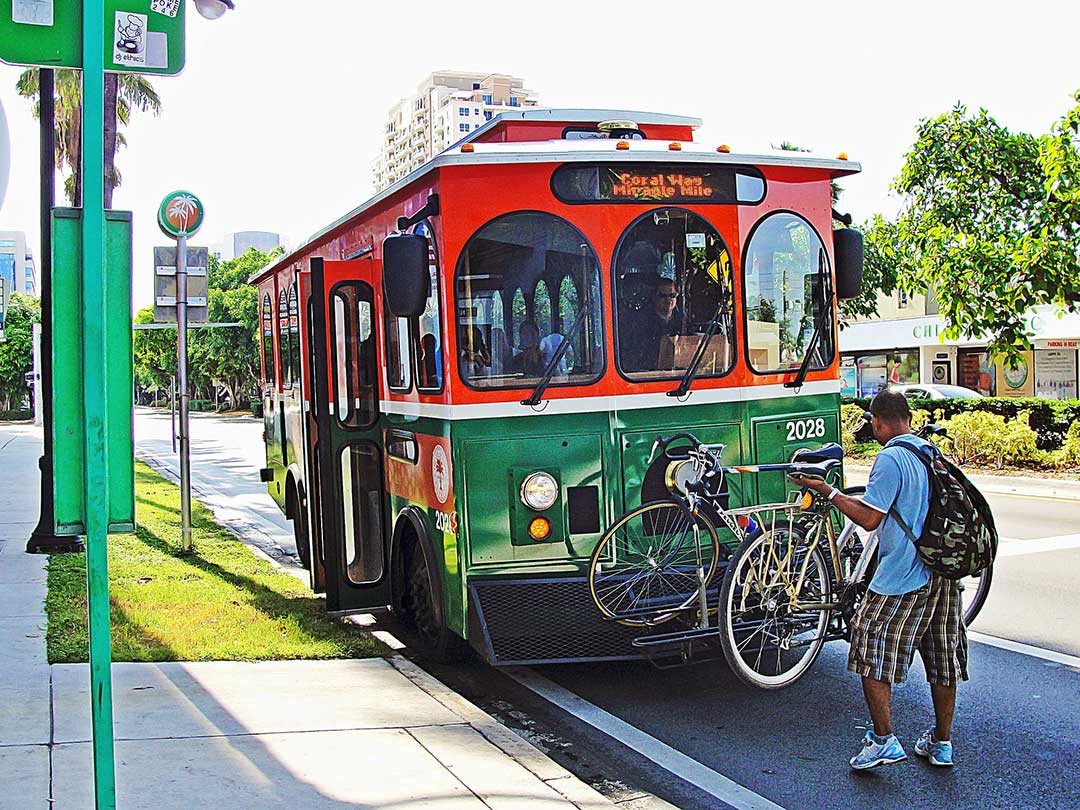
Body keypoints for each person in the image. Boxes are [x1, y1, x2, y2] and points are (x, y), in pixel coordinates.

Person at [790, 389, 967, 771]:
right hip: (943, 574)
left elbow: (870, 518)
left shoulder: (890, 459)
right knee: (942, 659)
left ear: (877, 421)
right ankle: (942, 742)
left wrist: (829, 491)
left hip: (902, 576)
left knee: (869, 649)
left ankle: (884, 739)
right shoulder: (929, 451)